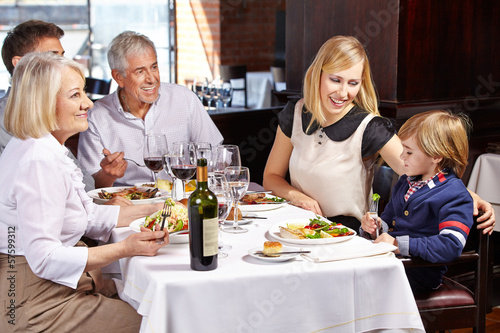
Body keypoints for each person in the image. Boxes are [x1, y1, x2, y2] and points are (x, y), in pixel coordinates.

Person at [0, 52, 168, 332]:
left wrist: (159, 208)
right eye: (75, 95)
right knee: (162, 321)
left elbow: (85, 216)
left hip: (51, 286)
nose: (88, 103)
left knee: (154, 299)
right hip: (38, 302)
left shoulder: (39, 145)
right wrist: (126, 248)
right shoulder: (38, 160)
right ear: (43, 102)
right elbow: (44, 258)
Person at [263, 35, 495, 233]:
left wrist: (468, 195)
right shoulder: (295, 113)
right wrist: (296, 196)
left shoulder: (370, 126)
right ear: (318, 74)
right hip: (295, 226)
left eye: (353, 83)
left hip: (345, 235)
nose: (343, 92)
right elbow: (271, 176)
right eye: (335, 79)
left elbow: (420, 170)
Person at [78, 31, 223, 188]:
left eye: (154, 67)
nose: (152, 78)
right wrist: (107, 175)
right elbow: (90, 185)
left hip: (181, 199)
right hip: (130, 204)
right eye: (140, 71)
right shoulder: (97, 117)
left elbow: (215, 155)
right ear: (118, 77)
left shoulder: (184, 99)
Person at [360, 110, 474, 292]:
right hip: (391, 264)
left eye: (409, 152)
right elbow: (388, 222)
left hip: (418, 274)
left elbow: (451, 245)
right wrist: (375, 228)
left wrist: (398, 244)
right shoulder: (405, 181)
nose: (401, 156)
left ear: (436, 156)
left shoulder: (455, 195)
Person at [0, 19, 112, 193]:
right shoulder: (14, 126)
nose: (62, 63)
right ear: (19, 64)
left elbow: (84, 188)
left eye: (62, 55)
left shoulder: (53, 115)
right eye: (52, 56)